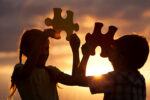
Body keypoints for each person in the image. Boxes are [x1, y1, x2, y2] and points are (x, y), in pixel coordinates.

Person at [9, 28, 80, 100]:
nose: (44, 53)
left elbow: (75, 80)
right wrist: (43, 36)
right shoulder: (18, 69)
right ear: (25, 51)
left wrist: (75, 51)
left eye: (46, 48)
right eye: (39, 48)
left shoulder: (51, 72)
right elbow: (27, 71)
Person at [76, 34, 149, 100]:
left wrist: (84, 55)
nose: (109, 50)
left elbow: (78, 80)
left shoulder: (114, 78)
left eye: (113, 48)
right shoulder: (140, 79)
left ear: (121, 57)